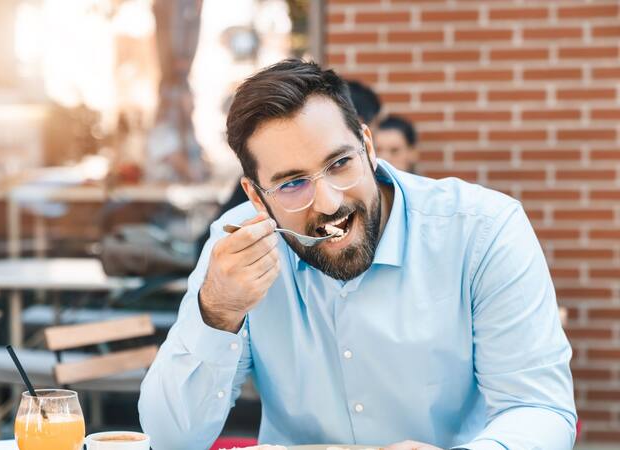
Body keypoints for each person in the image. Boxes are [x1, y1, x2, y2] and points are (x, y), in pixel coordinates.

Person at [138, 60, 575, 450]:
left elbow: (539, 410)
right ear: (255, 196)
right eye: (292, 184)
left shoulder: (483, 230)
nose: (328, 202)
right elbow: (170, 439)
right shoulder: (236, 249)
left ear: (367, 145)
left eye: (339, 164)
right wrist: (216, 309)